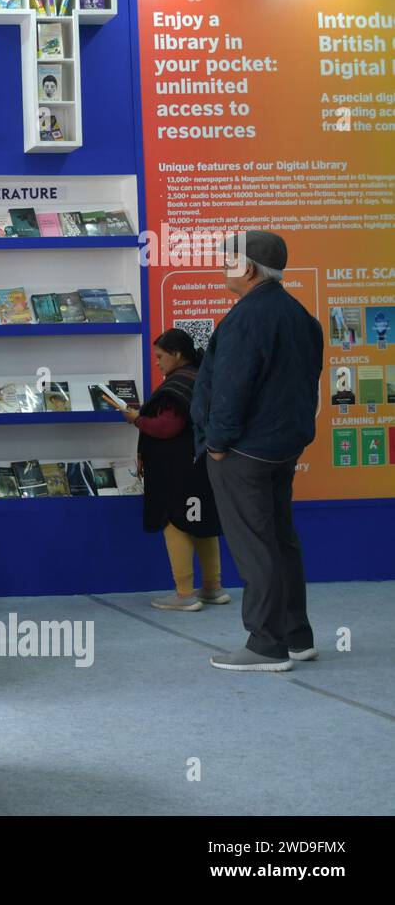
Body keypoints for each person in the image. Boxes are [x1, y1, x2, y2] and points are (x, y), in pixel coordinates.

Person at [191, 230, 324, 672]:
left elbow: (231, 388)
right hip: (282, 448)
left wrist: (218, 445)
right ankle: (295, 635)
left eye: (227, 260)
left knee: (254, 546)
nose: (221, 266)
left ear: (246, 268)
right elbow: (309, 384)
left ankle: (266, 645)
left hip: (243, 452)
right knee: (282, 540)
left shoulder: (246, 317)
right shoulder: (300, 315)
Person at [122, 328, 225, 612]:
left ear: (177, 354)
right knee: (204, 527)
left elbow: (168, 427)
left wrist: (136, 420)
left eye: (160, 356)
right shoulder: (201, 378)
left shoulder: (176, 386)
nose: (156, 362)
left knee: (175, 524)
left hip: (176, 471)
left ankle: (184, 594)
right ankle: (213, 588)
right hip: (202, 466)